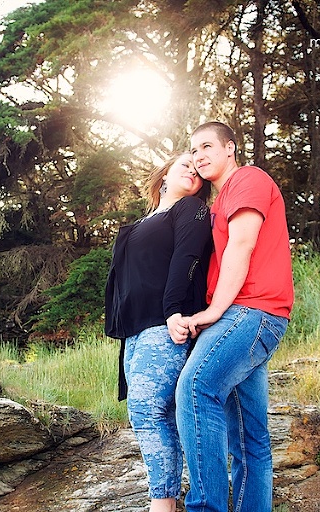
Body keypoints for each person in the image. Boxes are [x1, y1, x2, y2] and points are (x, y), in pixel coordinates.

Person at [173, 121, 294, 512]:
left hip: (251, 311)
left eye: (207, 146)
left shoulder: (248, 179)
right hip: (248, 314)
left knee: (194, 388)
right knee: (249, 440)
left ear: (231, 148)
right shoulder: (217, 203)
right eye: (193, 151)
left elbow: (241, 248)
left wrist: (213, 310)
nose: (198, 156)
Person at [105, 152, 213, 512]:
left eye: (199, 172)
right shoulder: (143, 222)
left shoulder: (191, 210)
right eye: (186, 164)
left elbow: (187, 259)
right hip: (135, 331)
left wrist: (173, 311)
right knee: (146, 414)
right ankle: (166, 498)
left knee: (148, 409)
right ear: (165, 173)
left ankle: (162, 504)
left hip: (164, 323)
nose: (194, 172)